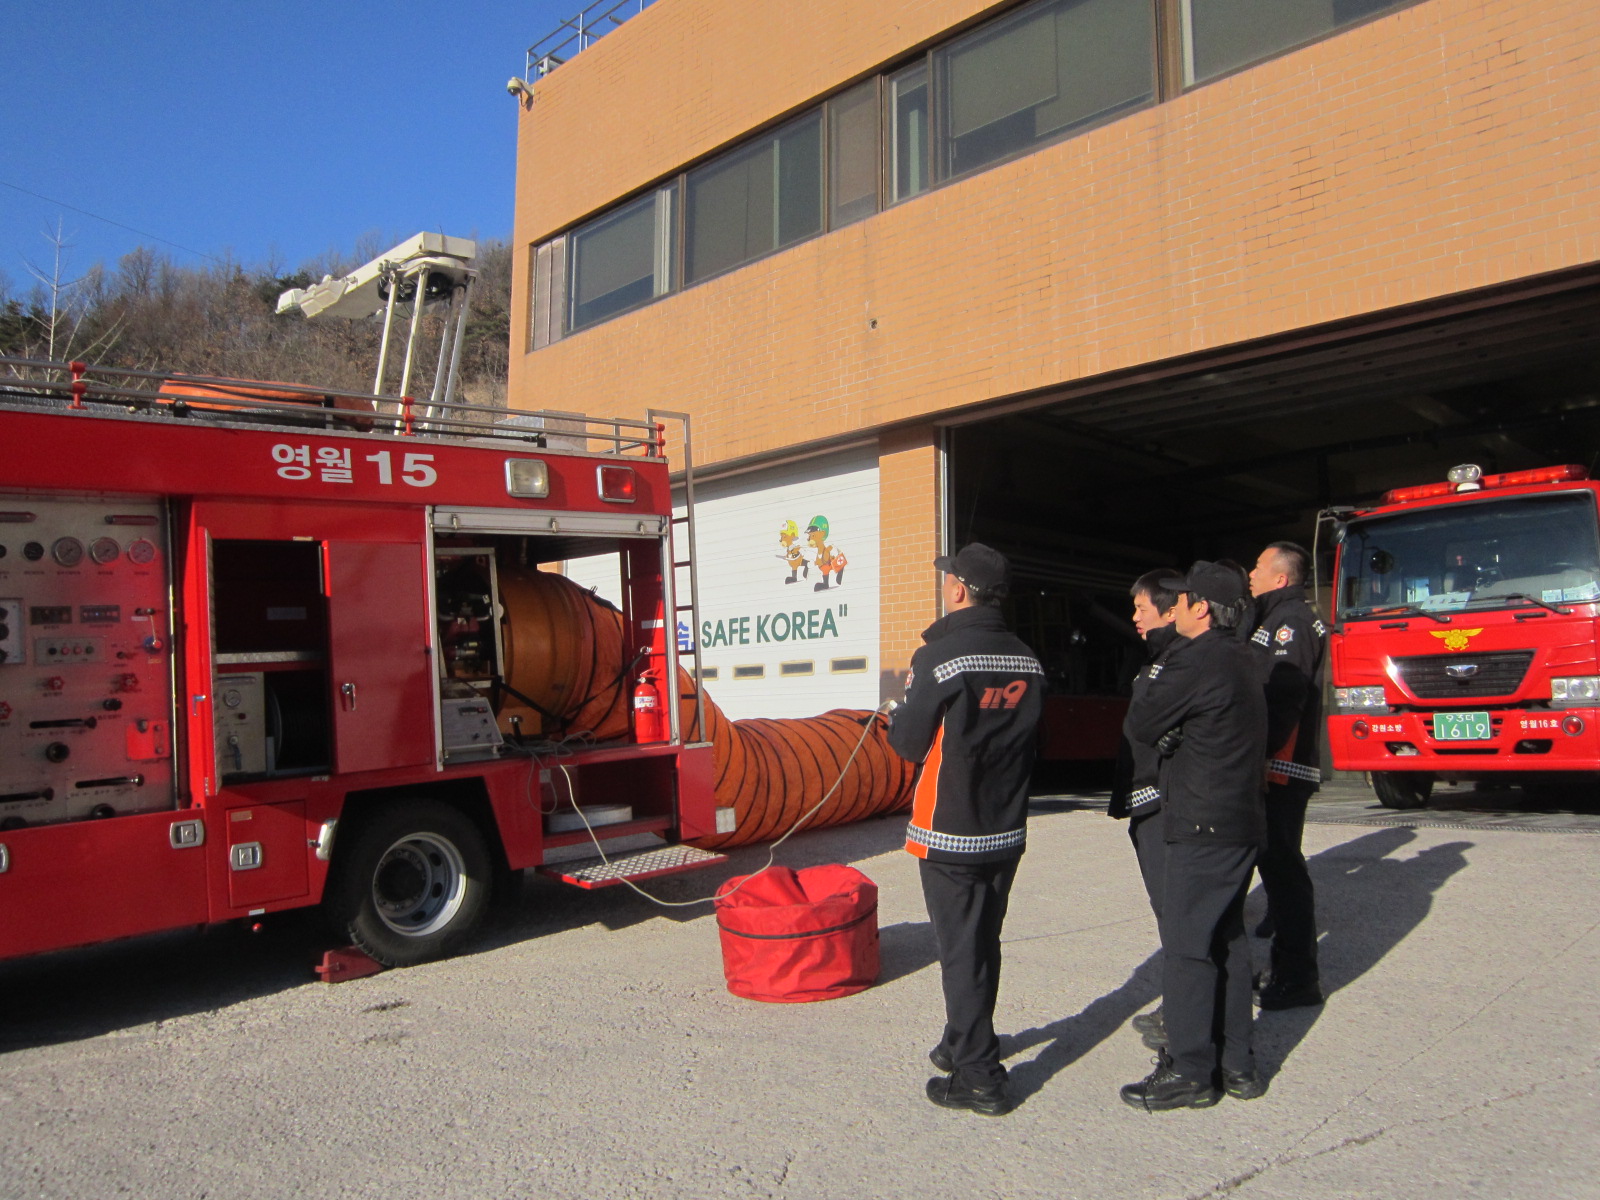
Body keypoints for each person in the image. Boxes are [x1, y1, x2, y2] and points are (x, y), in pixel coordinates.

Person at [888, 542, 1044, 1117]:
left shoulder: (940, 657)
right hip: (1005, 826)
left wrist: (895, 717)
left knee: (960, 949)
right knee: (982, 941)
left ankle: (979, 1075)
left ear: (958, 590)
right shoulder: (1029, 658)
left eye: (947, 579)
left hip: (949, 827)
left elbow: (909, 744)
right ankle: (962, 1039)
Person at [1120, 561, 1268, 1110]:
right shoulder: (1242, 655)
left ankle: (1188, 1069)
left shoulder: (1194, 657)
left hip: (1201, 824)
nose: (1173, 607)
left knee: (1186, 950)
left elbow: (1141, 723)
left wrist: (1170, 727)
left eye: (1181, 600)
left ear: (1200, 609)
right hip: (1239, 820)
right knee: (1226, 940)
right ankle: (1237, 1065)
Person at [1246, 541, 1329, 1010]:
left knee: (1283, 871)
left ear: (1280, 577)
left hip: (1280, 766)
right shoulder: (1277, 616)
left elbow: (1285, 696)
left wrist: (1262, 756)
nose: (1251, 573)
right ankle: (1285, 966)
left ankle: (1298, 977)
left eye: (1258, 566)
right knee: (1278, 868)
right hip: (1276, 764)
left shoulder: (1290, 622)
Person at [1108, 569, 1185, 1048]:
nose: (1134, 617)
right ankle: (1181, 1004)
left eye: (1142, 608)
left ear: (1172, 609)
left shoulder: (1181, 660)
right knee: (1169, 912)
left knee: (1177, 914)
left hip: (1166, 805)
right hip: (1147, 804)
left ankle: (1184, 1014)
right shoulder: (1156, 658)